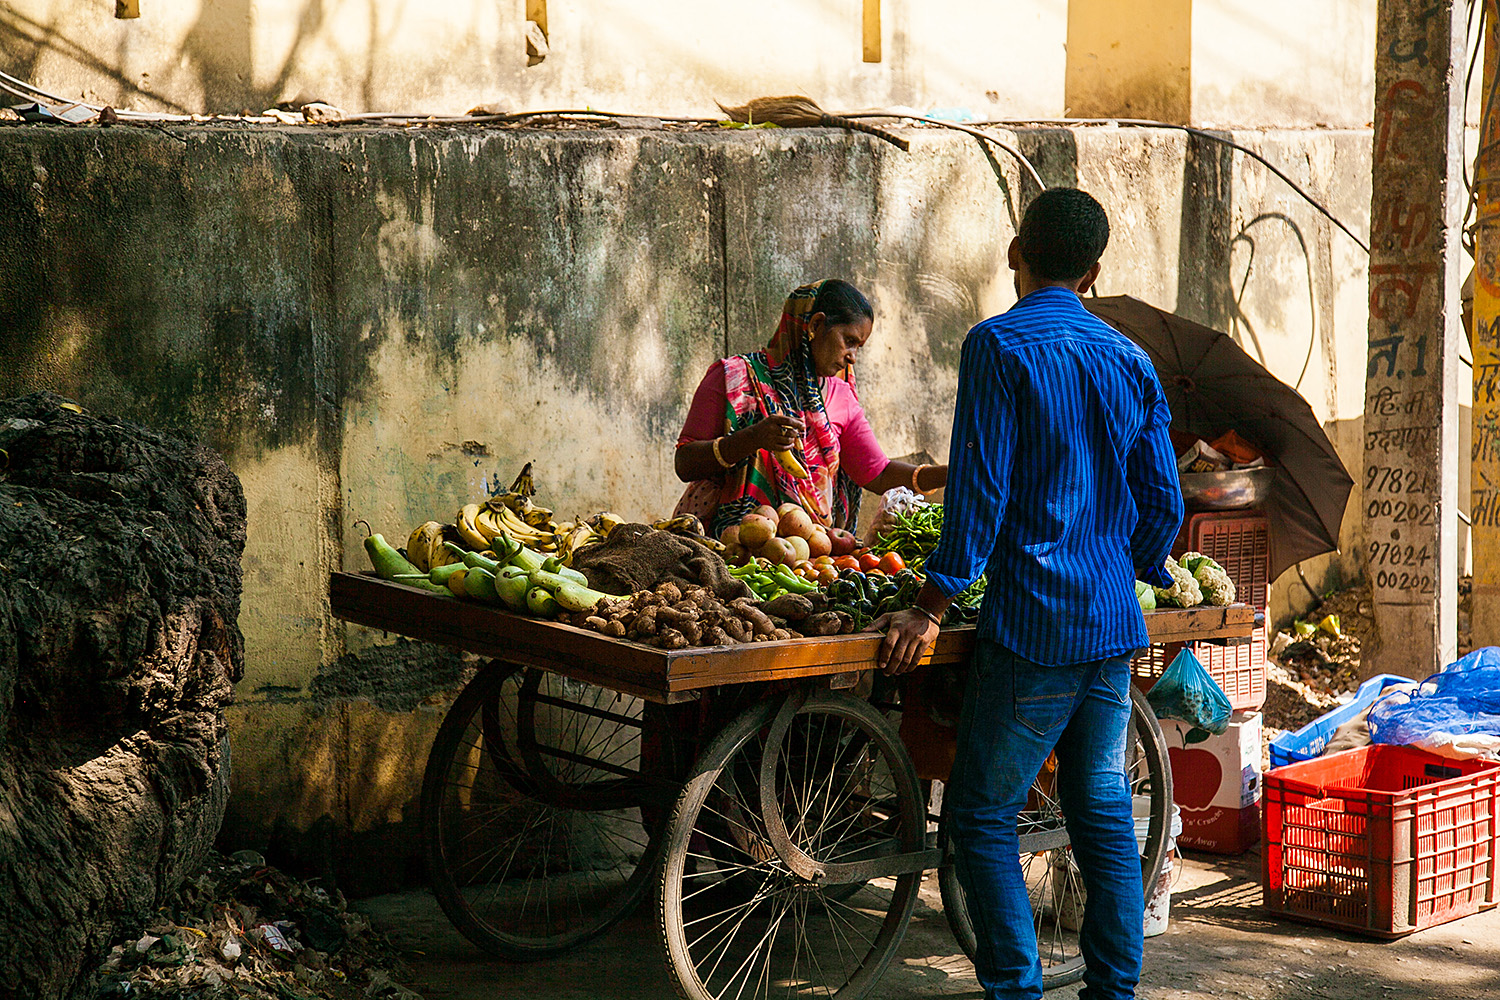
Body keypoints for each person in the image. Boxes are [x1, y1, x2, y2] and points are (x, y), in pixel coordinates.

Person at [872, 188, 1184, 1000]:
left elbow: (978, 495)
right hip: (1112, 626)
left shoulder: (999, 346)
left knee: (979, 820)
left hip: (1034, 628)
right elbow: (1165, 506)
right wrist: (1132, 565)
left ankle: (1015, 990)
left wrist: (933, 603)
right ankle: (1113, 990)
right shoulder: (1130, 359)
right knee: (1101, 815)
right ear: (1094, 270)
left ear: (1018, 252)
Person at [675, 278, 947, 537]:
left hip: (808, 554)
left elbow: (877, 473)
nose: (852, 357)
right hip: (727, 547)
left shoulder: (841, 396)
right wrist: (752, 438)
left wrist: (954, 473)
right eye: (849, 341)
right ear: (816, 325)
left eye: (859, 347)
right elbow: (685, 464)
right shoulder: (734, 378)